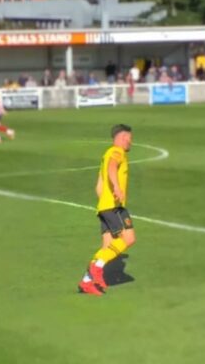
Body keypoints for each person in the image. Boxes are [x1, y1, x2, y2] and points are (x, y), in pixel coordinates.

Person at [78, 124, 135, 296]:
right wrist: (117, 187)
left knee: (107, 246)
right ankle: (96, 268)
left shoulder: (106, 154)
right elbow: (112, 167)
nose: (130, 142)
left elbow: (98, 186)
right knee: (128, 239)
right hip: (114, 207)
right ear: (123, 137)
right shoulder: (117, 152)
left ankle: (86, 282)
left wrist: (104, 200)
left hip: (104, 206)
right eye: (130, 138)